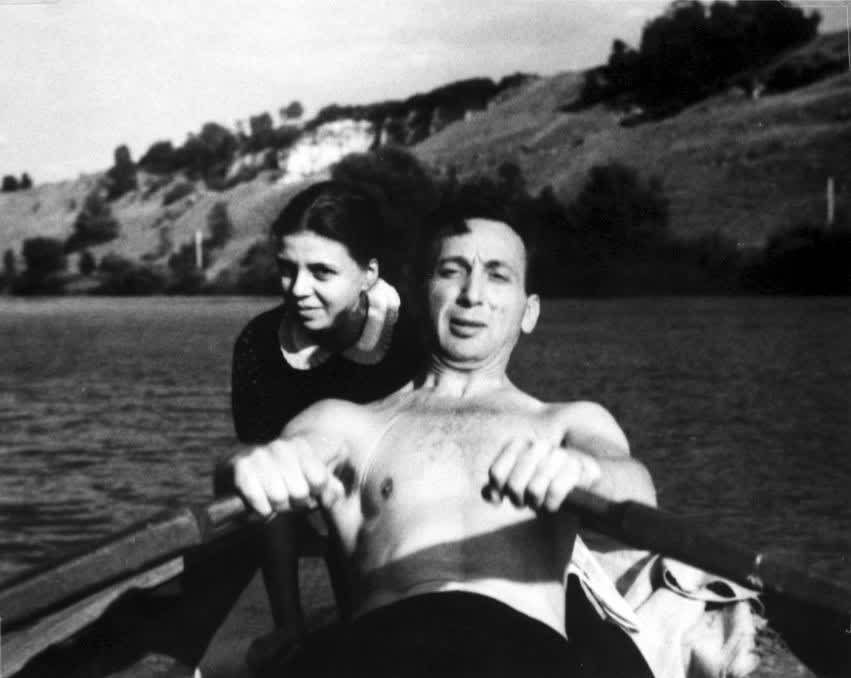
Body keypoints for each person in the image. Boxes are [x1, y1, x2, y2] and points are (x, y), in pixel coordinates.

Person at [223, 196, 658, 677]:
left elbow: (635, 491)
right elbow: (287, 453)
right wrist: (262, 467)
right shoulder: (351, 423)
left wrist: (586, 473)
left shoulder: (566, 424)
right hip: (386, 652)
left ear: (528, 311)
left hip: (524, 656)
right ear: (416, 291)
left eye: (497, 275)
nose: (472, 294)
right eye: (452, 271)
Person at [224, 180, 426, 653]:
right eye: (287, 269)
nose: (298, 290)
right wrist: (287, 626)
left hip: (405, 519)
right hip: (320, 512)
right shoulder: (258, 345)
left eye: (321, 272)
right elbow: (270, 501)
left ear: (368, 273)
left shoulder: (415, 333)